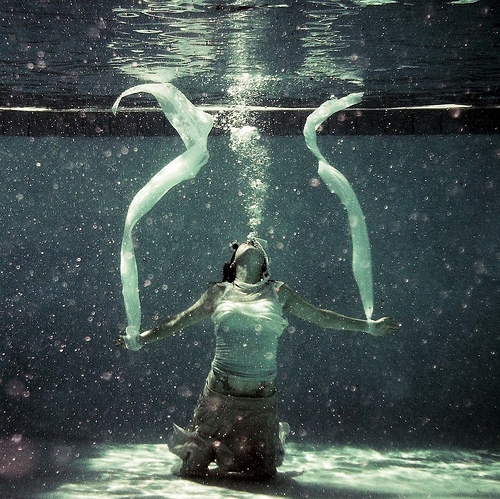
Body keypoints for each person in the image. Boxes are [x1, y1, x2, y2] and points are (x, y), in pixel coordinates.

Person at [116, 237, 399, 479]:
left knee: (264, 473)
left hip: (260, 403)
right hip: (218, 398)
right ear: (233, 261)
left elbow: (322, 317)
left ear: (265, 263)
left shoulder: (278, 292)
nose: (250, 240)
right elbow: (178, 321)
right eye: (245, 241)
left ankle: (267, 439)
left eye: (256, 243)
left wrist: (368, 326)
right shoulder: (218, 292)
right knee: (193, 468)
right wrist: (140, 339)